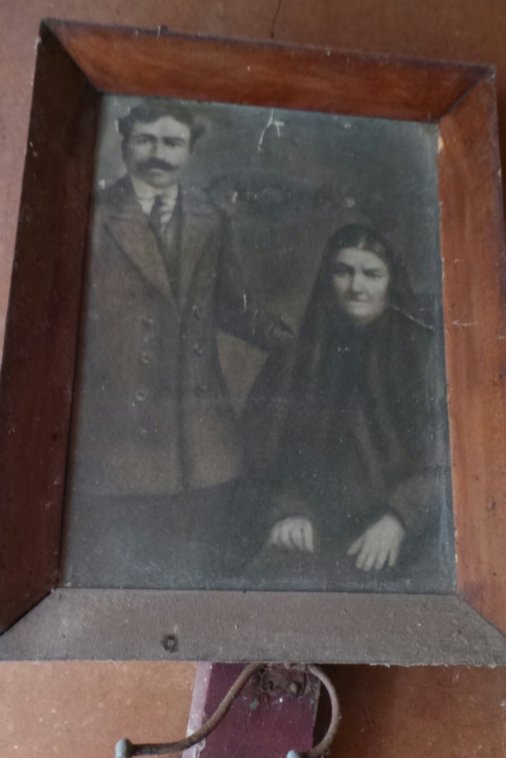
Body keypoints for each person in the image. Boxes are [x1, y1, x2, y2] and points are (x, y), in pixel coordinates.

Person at [63, 98, 291, 588]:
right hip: (119, 437)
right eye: (145, 140)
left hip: (201, 440)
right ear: (125, 143)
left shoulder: (210, 218)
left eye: (172, 143)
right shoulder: (93, 215)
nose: (158, 155)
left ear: (189, 150)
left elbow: (233, 306)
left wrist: (296, 344)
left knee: (199, 573)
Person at [263, 223, 452, 590]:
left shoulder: (424, 353)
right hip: (319, 524)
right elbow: (277, 452)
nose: (355, 287)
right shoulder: (305, 353)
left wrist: (399, 518)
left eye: (371, 274)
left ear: (391, 281)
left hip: (408, 527)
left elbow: (445, 457)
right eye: (343, 271)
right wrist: (290, 509)